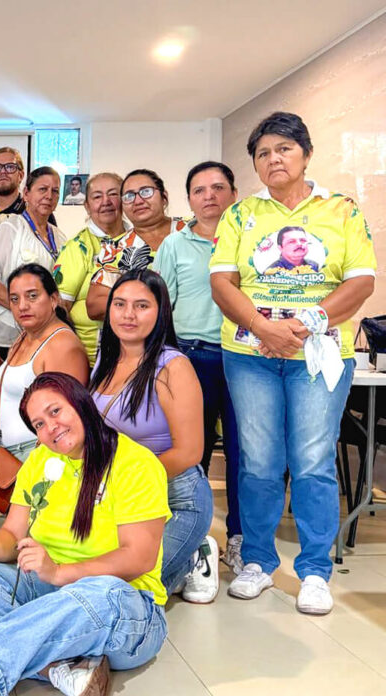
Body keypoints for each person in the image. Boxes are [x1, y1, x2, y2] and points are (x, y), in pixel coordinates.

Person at [0, 373, 169, 696]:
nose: (51, 428)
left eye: (56, 411)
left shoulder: (136, 463)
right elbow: (13, 536)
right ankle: (57, 666)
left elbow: (139, 558)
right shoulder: (40, 460)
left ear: (81, 402)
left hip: (128, 610)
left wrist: (60, 572)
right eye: (39, 424)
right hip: (48, 589)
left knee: (102, 593)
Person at [210, 111, 375, 614]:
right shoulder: (239, 215)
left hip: (319, 354)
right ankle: (257, 562)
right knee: (258, 461)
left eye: (283, 148)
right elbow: (222, 283)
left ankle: (315, 571)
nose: (273, 159)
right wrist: (263, 328)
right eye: (262, 153)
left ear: (305, 154)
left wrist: (307, 325)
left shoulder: (341, 210)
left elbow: (361, 281)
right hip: (250, 354)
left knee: (312, 461)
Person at [89, 270, 216, 602]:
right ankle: (184, 559)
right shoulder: (106, 357)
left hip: (175, 498)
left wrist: (125, 481)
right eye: (120, 304)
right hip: (119, 499)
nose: (128, 315)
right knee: (89, 580)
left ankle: (195, 550)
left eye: (142, 305)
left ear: (161, 312)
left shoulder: (173, 366)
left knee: (120, 594)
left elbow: (190, 452)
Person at [153, 161, 243, 573]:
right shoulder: (174, 244)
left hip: (243, 356)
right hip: (191, 356)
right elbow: (161, 305)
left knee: (246, 454)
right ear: (189, 199)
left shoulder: (248, 236)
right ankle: (195, 541)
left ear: (233, 193)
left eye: (218, 187)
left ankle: (241, 541)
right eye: (199, 190)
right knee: (193, 452)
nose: (209, 196)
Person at [0, 265, 88, 462]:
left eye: (32, 296)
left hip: (41, 453)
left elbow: (68, 418)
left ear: (53, 299)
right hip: (10, 454)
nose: (22, 306)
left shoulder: (61, 344)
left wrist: (42, 464)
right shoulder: (24, 336)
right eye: (14, 299)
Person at [0, 166, 68, 356]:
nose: (49, 196)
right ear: (26, 193)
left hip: (46, 332)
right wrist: (23, 310)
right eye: (42, 189)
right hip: (10, 333)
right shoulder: (10, 229)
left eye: (55, 191)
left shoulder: (59, 236)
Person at [86, 169, 186, 320]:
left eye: (146, 192)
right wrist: (148, 304)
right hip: (145, 337)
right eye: (129, 196)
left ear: (164, 196)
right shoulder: (115, 248)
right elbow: (95, 305)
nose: (138, 201)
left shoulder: (192, 230)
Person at [53, 173, 126, 363]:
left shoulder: (138, 243)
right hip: (91, 359)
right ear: (87, 205)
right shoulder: (78, 247)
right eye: (97, 197)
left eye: (113, 194)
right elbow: (59, 309)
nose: (106, 202)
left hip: (136, 355)